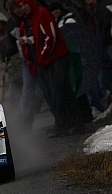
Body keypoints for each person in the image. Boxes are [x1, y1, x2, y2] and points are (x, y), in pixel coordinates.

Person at [16, 0, 84, 137]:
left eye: (25, 4)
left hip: (55, 58)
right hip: (43, 62)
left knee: (60, 91)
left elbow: (51, 36)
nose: (23, 8)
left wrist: (42, 55)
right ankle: (65, 123)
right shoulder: (26, 21)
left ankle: (69, 124)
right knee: (53, 93)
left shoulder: (42, 13)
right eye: (21, 6)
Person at [4, 0, 44, 130]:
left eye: (18, 7)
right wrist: (8, 52)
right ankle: (26, 121)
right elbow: (13, 43)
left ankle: (59, 112)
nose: (17, 10)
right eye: (13, 9)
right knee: (27, 91)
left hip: (38, 57)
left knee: (42, 90)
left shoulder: (29, 18)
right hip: (26, 59)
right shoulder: (12, 24)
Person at [0, 10, 23, 111]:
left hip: (23, 67)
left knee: (38, 92)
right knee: (12, 98)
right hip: (13, 74)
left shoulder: (12, 33)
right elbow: (1, 58)